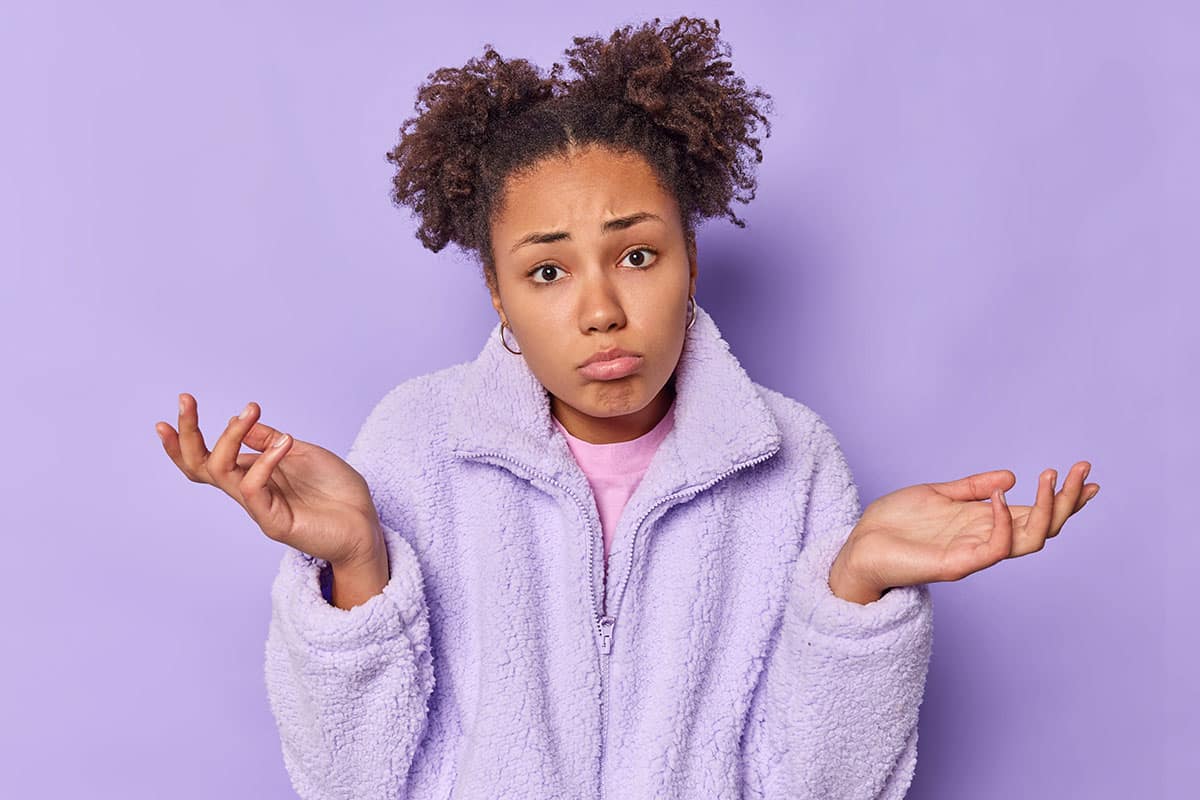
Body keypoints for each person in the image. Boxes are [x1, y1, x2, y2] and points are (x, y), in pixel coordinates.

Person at [154, 16, 1099, 800]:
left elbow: (821, 787)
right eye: (548, 270)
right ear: (496, 292)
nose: (601, 308)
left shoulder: (794, 458)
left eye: (637, 255)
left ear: (691, 258)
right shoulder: (416, 442)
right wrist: (356, 561)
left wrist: (856, 599)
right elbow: (350, 780)